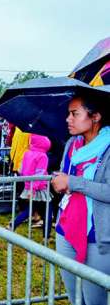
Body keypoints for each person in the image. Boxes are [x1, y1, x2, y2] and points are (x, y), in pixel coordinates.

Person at [51, 94, 110, 305]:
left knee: (94, 298)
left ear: (95, 117)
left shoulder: (108, 147)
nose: (68, 119)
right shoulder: (72, 144)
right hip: (65, 228)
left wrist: (73, 182)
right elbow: (66, 175)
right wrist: (59, 182)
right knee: (75, 297)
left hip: (98, 235)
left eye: (75, 114)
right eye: (68, 114)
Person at [9, 134, 52, 235]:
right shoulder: (43, 156)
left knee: (31, 209)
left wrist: (29, 186)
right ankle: (46, 236)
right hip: (39, 188)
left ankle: (13, 224)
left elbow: (22, 170)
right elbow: (40, 173)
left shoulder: (27, 153)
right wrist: (34, 188)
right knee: (48, 211)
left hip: (29, 186)